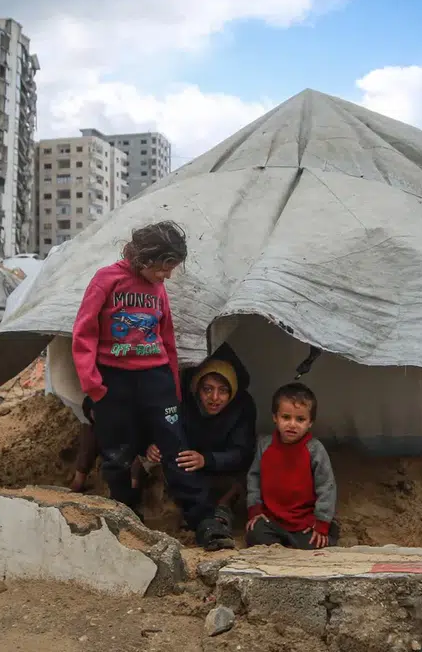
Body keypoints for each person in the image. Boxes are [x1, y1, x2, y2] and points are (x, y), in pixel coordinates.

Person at [71, 221, 234, 550]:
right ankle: (127, 517)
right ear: (144, 259)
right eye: (164, 268)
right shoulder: (107, 280)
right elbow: (83, 331)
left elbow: (166, 338)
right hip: (114, 381)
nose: (167, 276)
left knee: (176, 450)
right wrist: (94, 385)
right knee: (117, 455)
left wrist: (171, 387)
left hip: (155, 378)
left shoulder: (156, 289)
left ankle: (203, 521)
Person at [145, 343, 257, 527]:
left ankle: (217, 514)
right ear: (197, 388)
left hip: (221, 470)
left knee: (235, 486)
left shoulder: (242, 407)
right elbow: (160, 426)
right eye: (208, 389)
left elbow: (242, 452)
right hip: (185, 469)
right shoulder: (181, 400)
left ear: (232, 392)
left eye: (223, 390)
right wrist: (153, 445)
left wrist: (207, 459)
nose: (214, 398)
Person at [245, 382, 340, 550]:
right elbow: (254, 477)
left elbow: (327, 486)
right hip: (272, 519)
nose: (292, 424)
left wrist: (322, 521)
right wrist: (255, 508)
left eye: (300, 419)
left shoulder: (314, 450)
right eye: (286, 417)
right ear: (275, 417)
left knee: (318, 540)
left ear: (310, 422)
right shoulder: (264, 445)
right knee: (255, 533)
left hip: (305, 521)